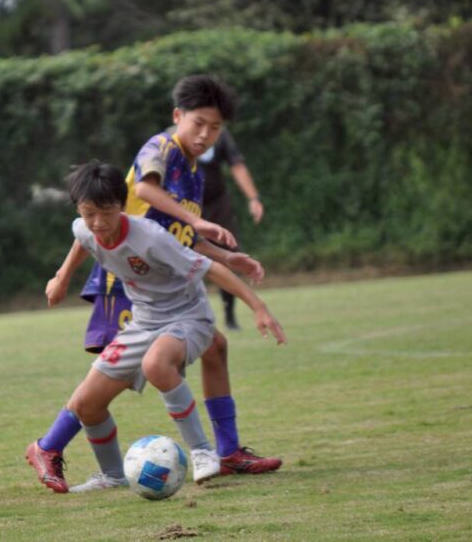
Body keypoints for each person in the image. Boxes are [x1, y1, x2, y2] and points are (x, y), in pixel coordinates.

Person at [26, 161, 286, 493]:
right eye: (89, 213)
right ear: (79, 209)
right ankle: (113, 475)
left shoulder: (150, 237)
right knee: (86, 404)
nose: (98, 222)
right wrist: (61, 278)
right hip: (144, 321)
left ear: (122, 206)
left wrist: (259, 307)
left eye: (106, 213)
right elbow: (82, 239)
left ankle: (203, 452)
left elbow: (210, 270)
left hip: (188, 315)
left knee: (156, 365)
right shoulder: (85, 228)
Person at [77, 75, 279, 477]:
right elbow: (147, 193)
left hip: (163, 282)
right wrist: (196, 221)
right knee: (110, 380)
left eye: (215, 128)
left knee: (214, 347)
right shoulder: (161, 148)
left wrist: (228, 255)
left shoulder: (192, 171)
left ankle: (227, 451)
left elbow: (180, 238)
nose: (205, 135)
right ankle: (51, 445)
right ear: (177, 116)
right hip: (129, 281)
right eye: (198, 123)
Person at [197, 129, 264, 330]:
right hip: (188, 208)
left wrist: (253, 198)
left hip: (219, 206)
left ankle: (229, 316)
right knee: (184, 258)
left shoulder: (220, 135)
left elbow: (237, 165)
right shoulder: (171, 139)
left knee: (228, 255)